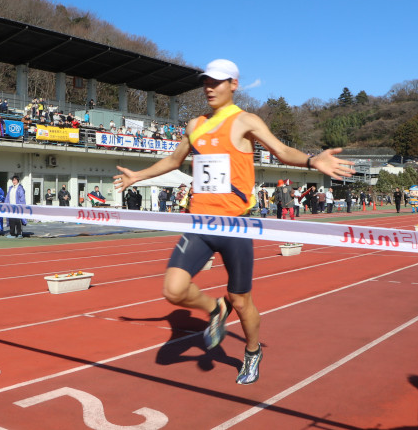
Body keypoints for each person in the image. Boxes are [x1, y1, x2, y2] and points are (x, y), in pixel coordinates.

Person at [113, 59, 354, 384]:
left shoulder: (245, 122)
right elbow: (173, 160)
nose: (210, 87)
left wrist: (312, 160)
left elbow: (281, 151)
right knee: (173, 291)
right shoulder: (195, 125)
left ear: (233, 85)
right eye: (206, 82)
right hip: (200, 223)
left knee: (241, 301)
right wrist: (136, 176)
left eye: (217, 82)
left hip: (235, 224)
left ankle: (252, 351)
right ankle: (214, 309)